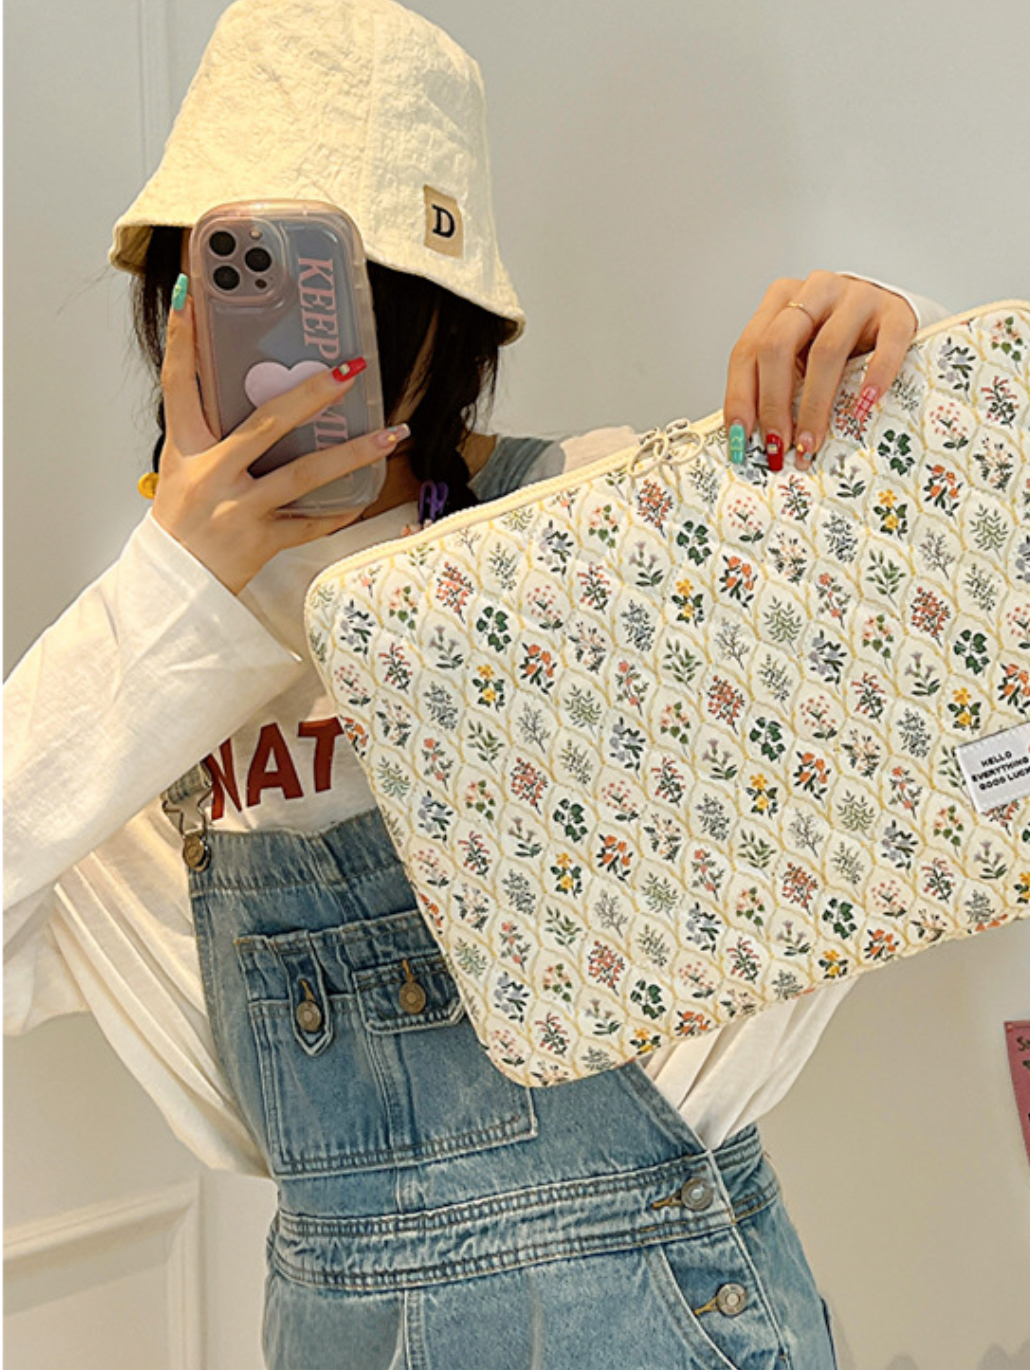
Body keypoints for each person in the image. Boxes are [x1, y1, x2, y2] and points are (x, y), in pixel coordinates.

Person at [4, 1, 954, 1365]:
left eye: (342, 300)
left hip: (660, 1310)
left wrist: (887, 373)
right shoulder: (145, 663)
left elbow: (950, 663)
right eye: (221, 288)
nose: (280, 356)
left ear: (439, 326)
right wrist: (171, 592)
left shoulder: (589, 516)